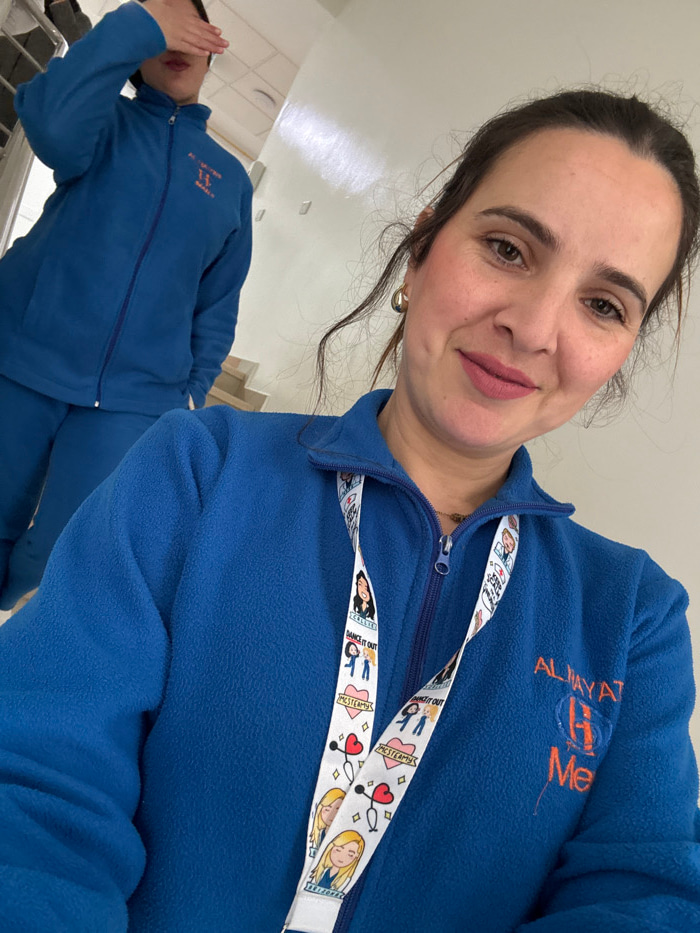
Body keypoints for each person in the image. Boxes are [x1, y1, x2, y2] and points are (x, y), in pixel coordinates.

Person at [0, 89, 699, 933]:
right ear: (421, 251)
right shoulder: (198, 472)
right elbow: (34, 790)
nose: (534, 327)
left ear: (620, 352)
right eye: (508, 249)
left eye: (604, 304)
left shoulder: (633, 619)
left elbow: (643, 896)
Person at [0, 0, 252, 610]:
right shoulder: (101, 120)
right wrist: (135, 26)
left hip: (136, 397)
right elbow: (49, 124)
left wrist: (192, 391)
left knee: (66, 550)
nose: (175, 42)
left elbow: (218, 300)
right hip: (23, 358)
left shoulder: (229, 179)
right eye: (161, 26)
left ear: (211, 44)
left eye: (187, 25)